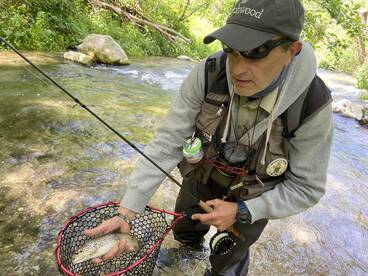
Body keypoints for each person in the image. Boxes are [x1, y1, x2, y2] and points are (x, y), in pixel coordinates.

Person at [85, 0, 333, 275]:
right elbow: (167, 143)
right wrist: (127, 211)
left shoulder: (313, 105)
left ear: (291, 51)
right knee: (185, 232)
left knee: (226, 260)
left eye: (255, 52)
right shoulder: (208, 72)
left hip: (254, 196)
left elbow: (306, 188)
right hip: (203, 175)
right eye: (231, 49)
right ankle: (185, 254)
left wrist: (243, 211)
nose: (236, 68)